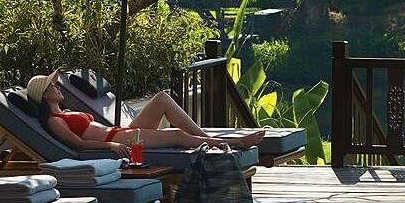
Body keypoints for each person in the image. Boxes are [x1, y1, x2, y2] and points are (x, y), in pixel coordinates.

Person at [26, 71, 264, 159]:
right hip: (118, 140)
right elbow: (78, 144)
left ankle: (208, 140)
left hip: (121, 133)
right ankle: (232, 143)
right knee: (177, 135)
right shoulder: (54, 121)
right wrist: (110, 147)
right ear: (44, 95)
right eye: (52, 86)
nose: (57, 87)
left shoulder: (65, 112)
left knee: (162, 98)